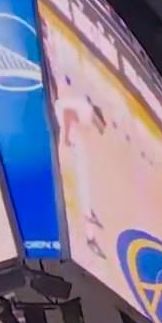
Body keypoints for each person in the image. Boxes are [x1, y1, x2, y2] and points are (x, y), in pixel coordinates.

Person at [52, 72, 107, 257]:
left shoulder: (83, 107)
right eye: (98, 126)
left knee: (82, 174)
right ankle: (89, 230)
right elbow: (69, 115)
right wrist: (68, 135)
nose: (97, 129)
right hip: (67, 130)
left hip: (65, 125)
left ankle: (88, 212)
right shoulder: (87, 112)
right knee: (82, 179)